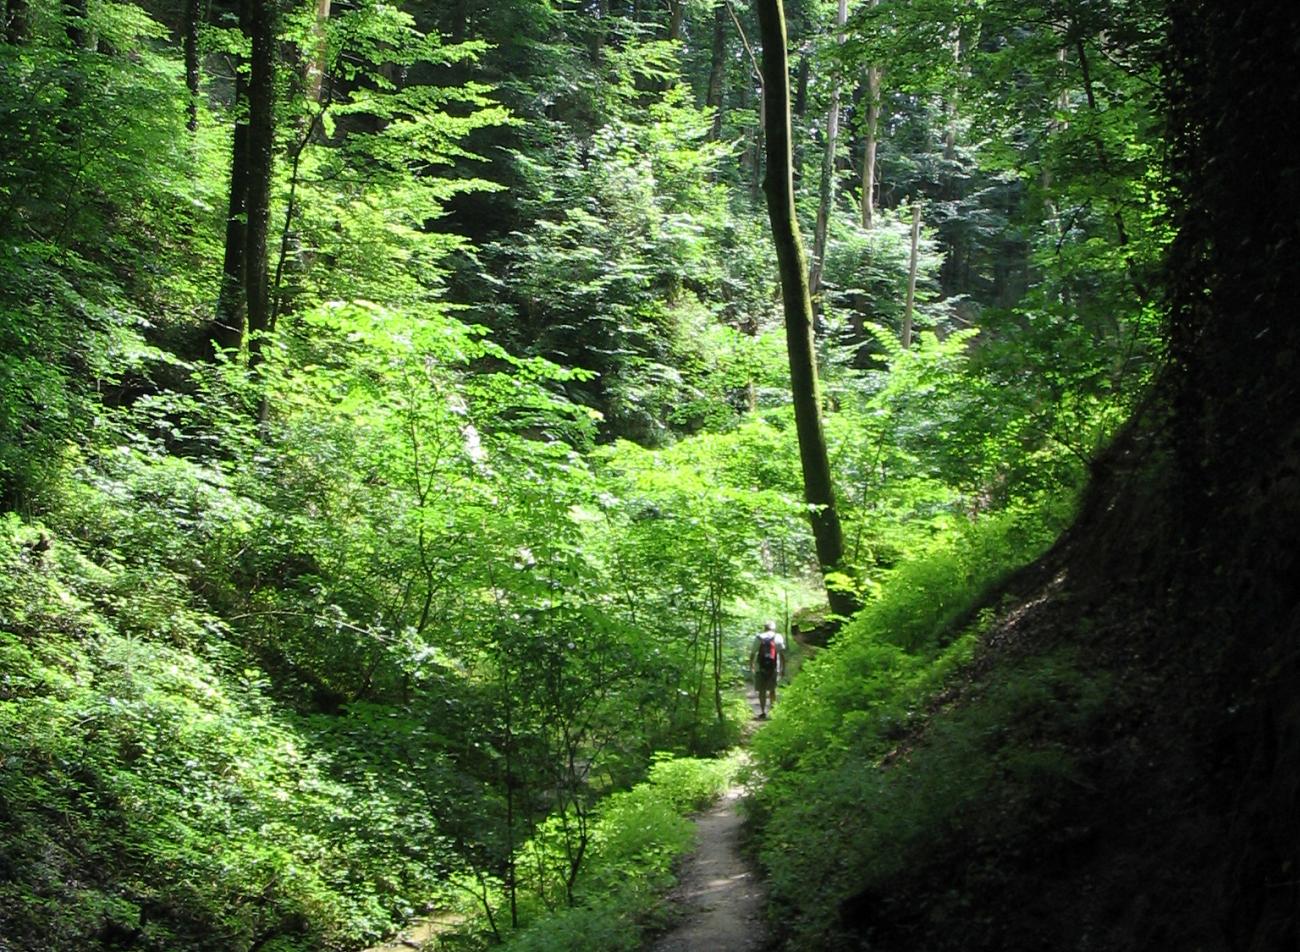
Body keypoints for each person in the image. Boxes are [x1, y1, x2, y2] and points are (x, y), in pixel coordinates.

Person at [748, 620, 786, 719]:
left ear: (764, 628)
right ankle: (773, 712)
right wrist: (783, 668)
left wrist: (751, 666)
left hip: (760, 668)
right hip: (774, 668)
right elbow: (782, 655)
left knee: (762, 691)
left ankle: (763, 712)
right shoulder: (778, 637)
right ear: (774, 628)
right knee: (772, 690)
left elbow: (752, 654)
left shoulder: (758, 638)